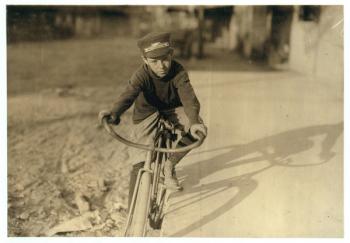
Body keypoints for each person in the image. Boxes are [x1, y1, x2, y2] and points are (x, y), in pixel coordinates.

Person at [98, 32, 207, 208]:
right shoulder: (141, 75)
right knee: (140, 161)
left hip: (173, 109)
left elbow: (189, 98)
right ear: (144, 59)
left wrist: (194, 121)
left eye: (165, 59)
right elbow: (128, 94)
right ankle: (133, 212)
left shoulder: (178, 71)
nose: (161, 66)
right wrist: (114, 113)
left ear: (171, 55)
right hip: (147, 112)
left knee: (198, 130)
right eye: (154, 61)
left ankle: (169, 164)